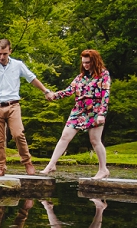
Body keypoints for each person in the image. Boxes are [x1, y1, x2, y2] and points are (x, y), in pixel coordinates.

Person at [0, 39, 52, 176]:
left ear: (10, 51)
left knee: (18, 134)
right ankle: (0, 167)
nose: (2, 57)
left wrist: (45, 91)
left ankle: (27, 163)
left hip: (13, 105)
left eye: (4, 54)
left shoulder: (18, 65)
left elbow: (31, 78)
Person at [40, 49, 112, 179]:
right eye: (83, 62)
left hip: (95, 111)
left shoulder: (104, 74)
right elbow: (68, 91)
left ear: (95, 61)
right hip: (78, 110)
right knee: (65, 136)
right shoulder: (80, 77)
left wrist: (102, 113)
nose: (85, 65)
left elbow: (105, 95)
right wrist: (54, 95)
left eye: (88, 62)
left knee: (95, 140)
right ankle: (51, 164)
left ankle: (103, 169)